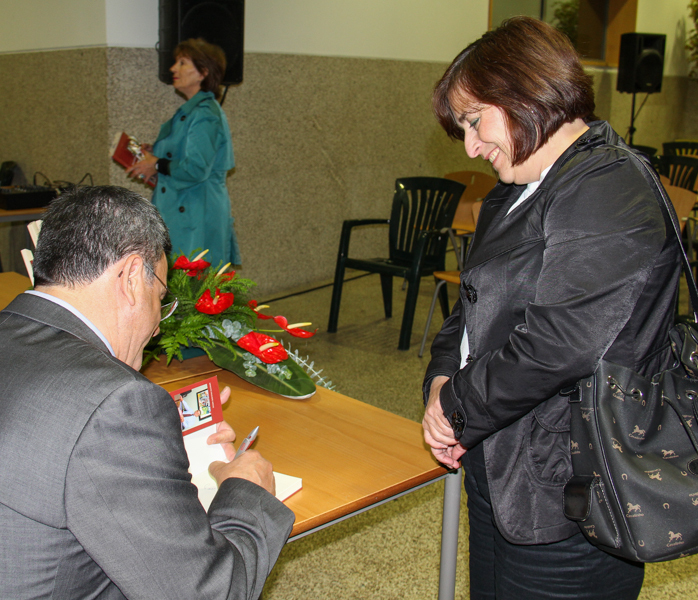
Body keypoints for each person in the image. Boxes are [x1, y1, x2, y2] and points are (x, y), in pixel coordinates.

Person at [422, 17, 681, 600]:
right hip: (501, 456)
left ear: (524, 91)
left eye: (473, 121)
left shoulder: (611, 187)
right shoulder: (516, 189)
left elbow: (559, 343)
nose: (470, 146)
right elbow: (472, 306)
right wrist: (441, 380)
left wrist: (455, 407)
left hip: (572, 489)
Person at [0, 186, 293, 599]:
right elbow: (207, 592)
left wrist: (151, 445)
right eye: (160, 298)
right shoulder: (114, 404)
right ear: (132, 275)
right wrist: (247, 491)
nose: (157, 328)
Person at [127, 38, 241, 267]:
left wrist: (157, 163)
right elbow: (180, 155)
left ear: (203, 73)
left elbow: (196, 168)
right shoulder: (193, 111)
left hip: (196, 215)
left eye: (182, 63)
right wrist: (154, 153)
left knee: (195, 292)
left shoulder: (205, 114)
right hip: (186, 211)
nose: (173, 68)